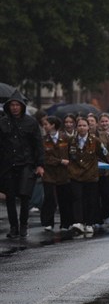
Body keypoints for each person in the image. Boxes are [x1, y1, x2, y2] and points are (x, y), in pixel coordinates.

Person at [0, 91, 44, 239]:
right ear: (8, 106)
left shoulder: (31, 122)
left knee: (25, 196)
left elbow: (38, 144)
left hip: (26, 163)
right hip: (8, 165)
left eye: (17, 105)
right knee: (10, 197)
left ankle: (24, 224)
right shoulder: (3, 122)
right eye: (12, 105)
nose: (14, 108)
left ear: (22, 106)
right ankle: (14, 227)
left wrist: (40, 164)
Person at [68, 117, 109, 237]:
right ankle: (78, 222)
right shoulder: (71, 141)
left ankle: (89, 223)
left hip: (90, 175)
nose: (82, 128)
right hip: (76, 174)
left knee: (91, 200)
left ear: (89, 127)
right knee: (77, 198)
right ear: (76, 127)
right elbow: (67, 155)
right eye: (79, 126)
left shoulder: (95, 140)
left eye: (84, 125)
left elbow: (105, 154)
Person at [39, 116, 73, 232]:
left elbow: (71, 153)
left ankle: (66, 223)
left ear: (53, 125)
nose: (44, 127)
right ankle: (48, 222)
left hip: (64, 174)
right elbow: (45, 157)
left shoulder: (65, 138)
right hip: (49, 174)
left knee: (64, 199)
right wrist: (59, 161)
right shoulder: (43, 140)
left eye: (46, 124)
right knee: (49, 199)